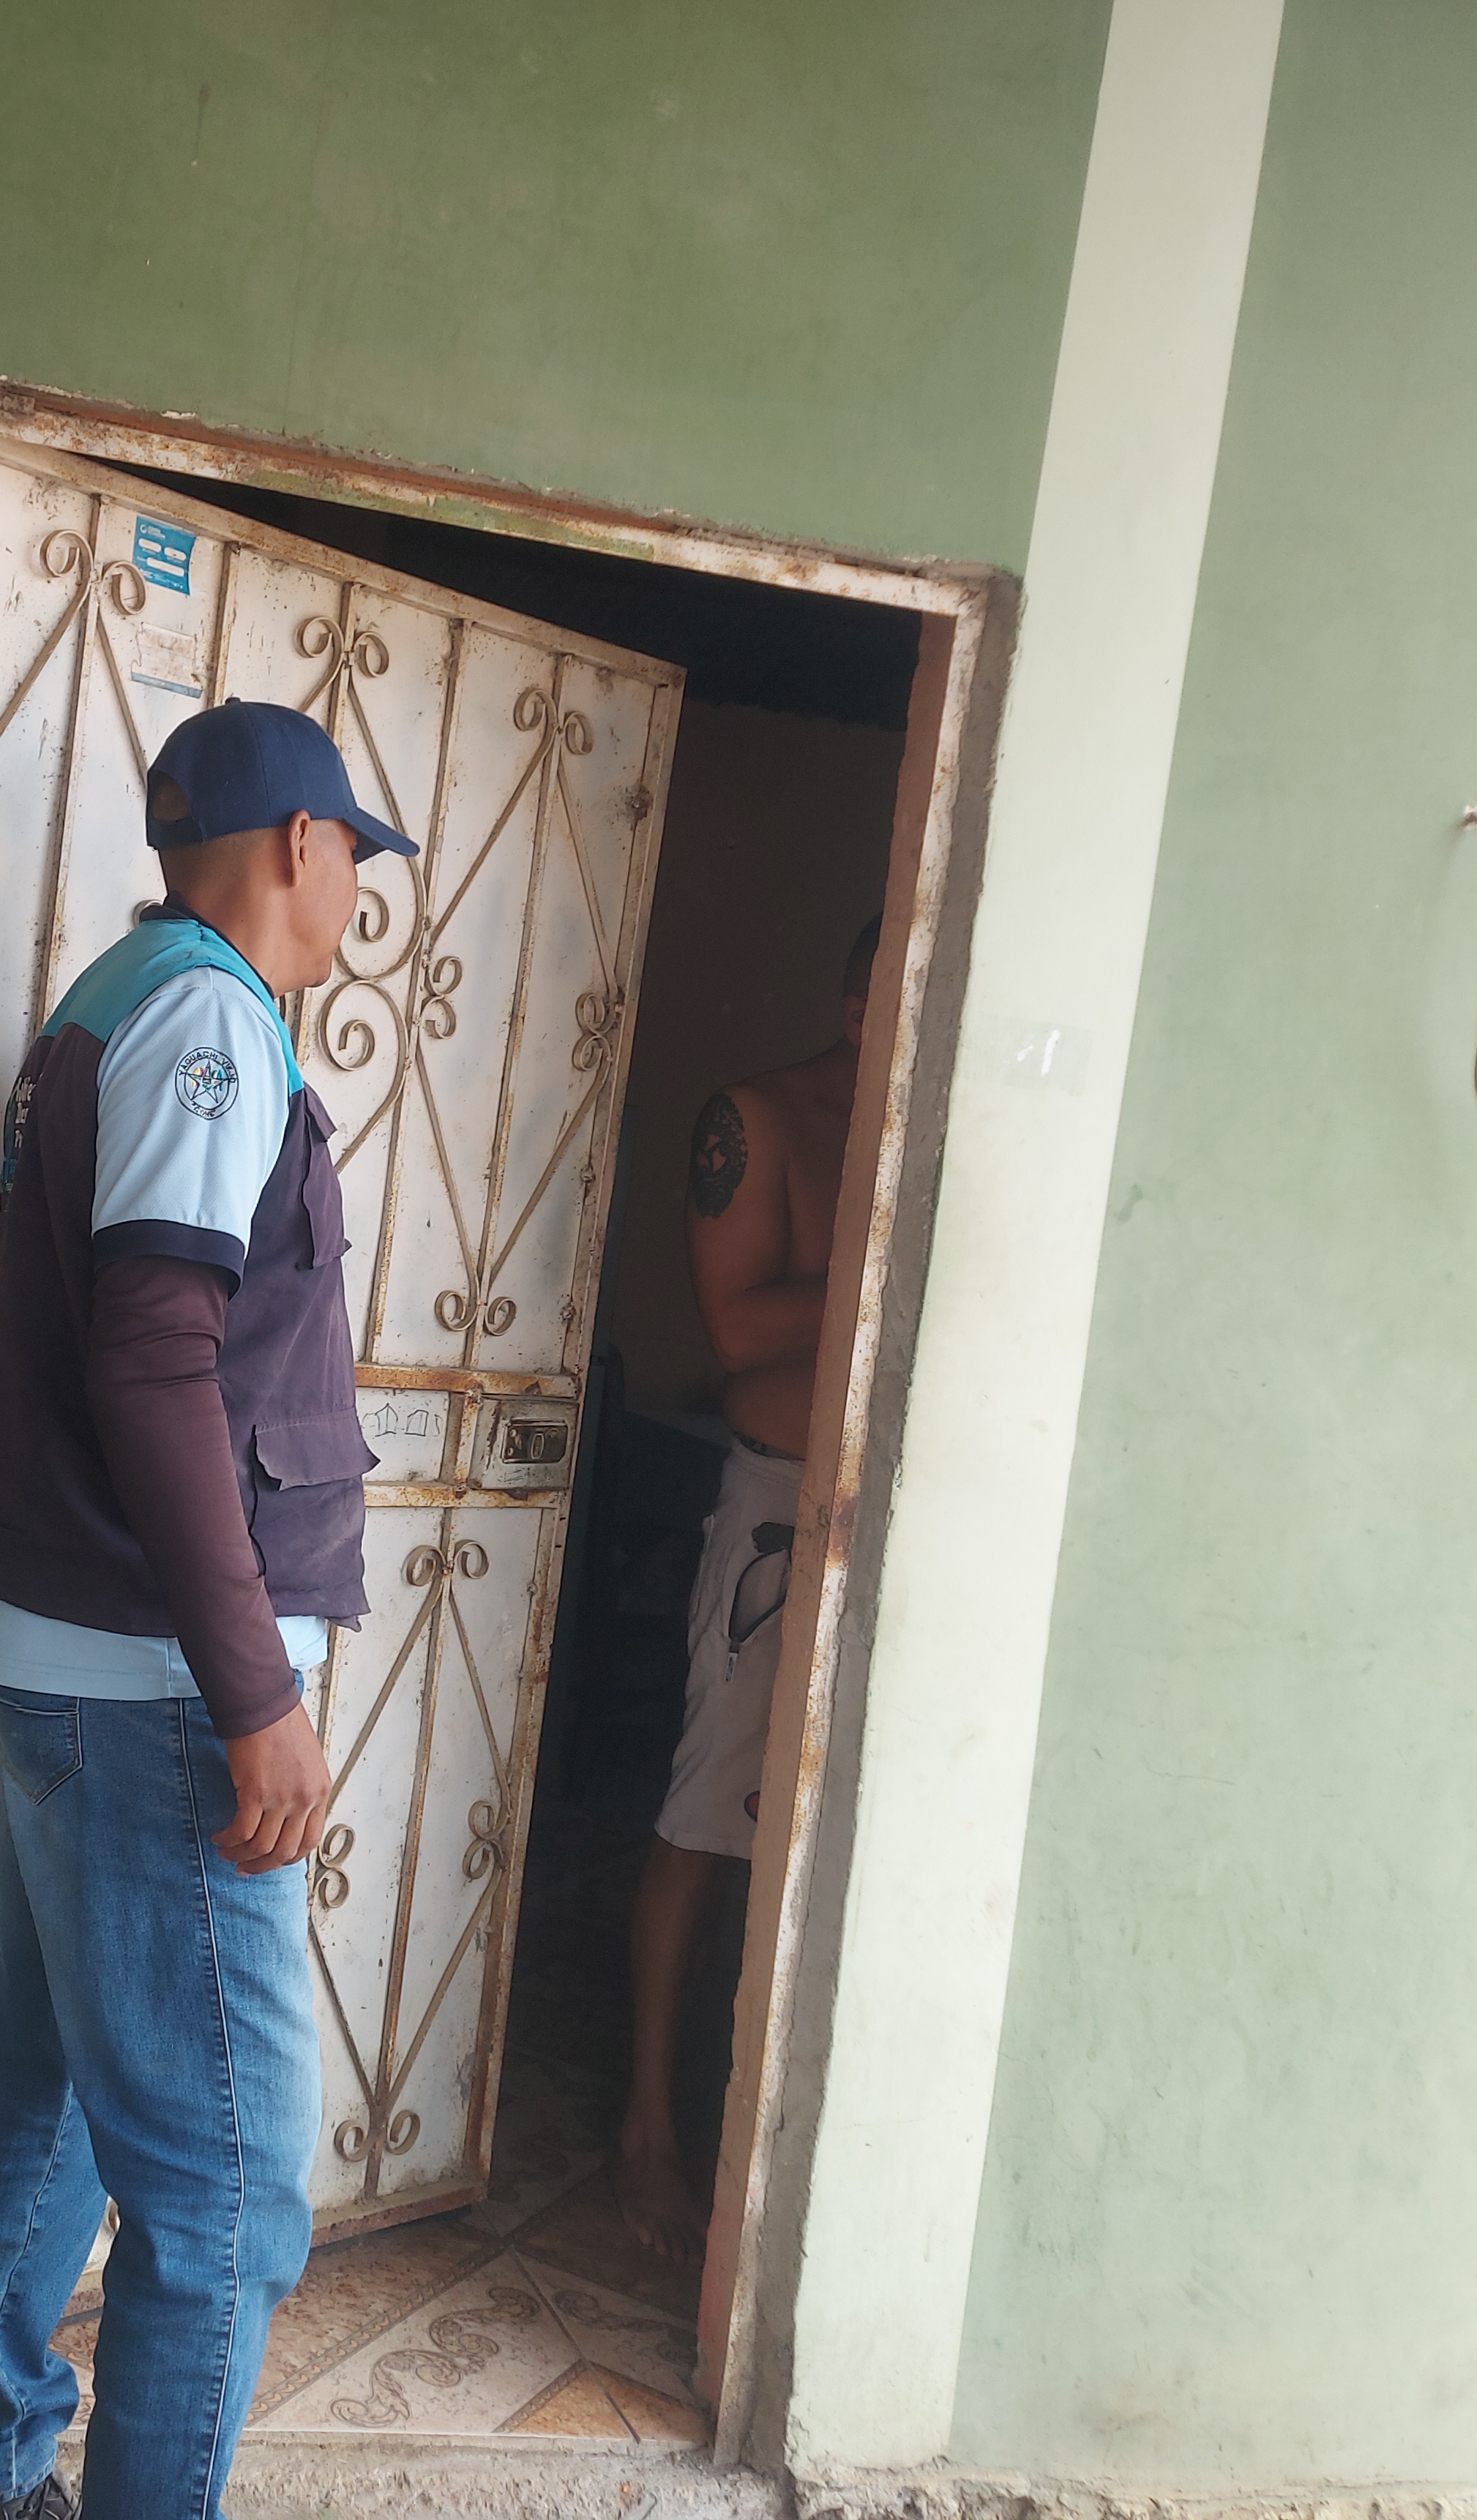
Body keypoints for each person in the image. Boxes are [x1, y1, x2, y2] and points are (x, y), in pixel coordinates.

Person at [0, 699, 415, 2520]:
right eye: (352, 851)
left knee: (40, 2083)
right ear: (298, 844)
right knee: (221, 2194)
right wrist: (252, 1696)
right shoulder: (208, 1019)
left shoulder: (118, 995)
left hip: (78, 1664)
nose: (355, 888)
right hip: (154, 1687)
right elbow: (153, 1359)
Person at [614, 914, 877, 2259]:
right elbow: (737, 1330)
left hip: (898, 1509)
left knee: (844, 1830)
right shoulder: (762, 1121)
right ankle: (647, 2134)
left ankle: (773, 2148)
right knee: (707, 1810)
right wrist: (886, 1258)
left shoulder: (943, 1132)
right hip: (780, 1497)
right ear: (853, 996)